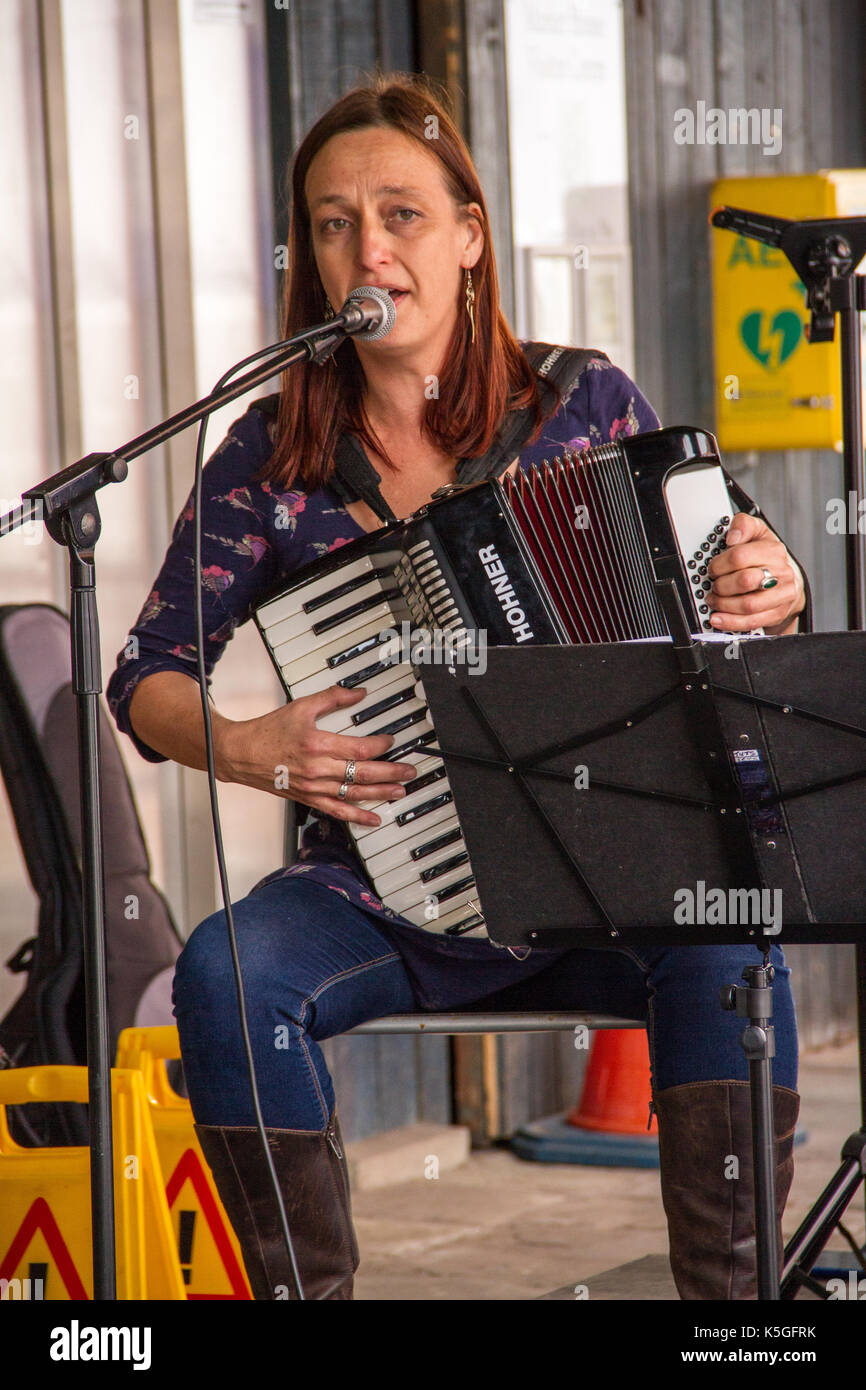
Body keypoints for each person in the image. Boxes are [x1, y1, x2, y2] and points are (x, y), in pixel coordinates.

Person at [107, 73, 808, 1301]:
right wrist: (253, 745)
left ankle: (733, 1316)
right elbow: (146, 677)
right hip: (384, 889)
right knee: (228, 972)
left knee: (730, 937)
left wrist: (773, 571)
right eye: (331, 222)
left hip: (609, 878)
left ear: (469, 236)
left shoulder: (581, 402)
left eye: (400, 214)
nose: (365, 246)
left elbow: (735, 555)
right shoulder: (269, 455)